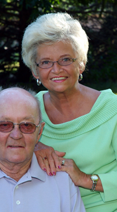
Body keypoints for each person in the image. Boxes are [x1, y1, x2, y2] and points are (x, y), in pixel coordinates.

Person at [21, 12, 117, 212]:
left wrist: (83, 178)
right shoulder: (27, 111)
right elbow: (0, 147)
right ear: (35, 70)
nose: (56, 69)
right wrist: (32, 145)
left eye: (65, 59)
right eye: (46, 62)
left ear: (80, 63)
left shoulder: (112, 109)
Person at [0, 87, 85, 212]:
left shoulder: (61, 180)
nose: (16, 135)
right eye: (5, 125)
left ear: (39, 132)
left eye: (27, 125)